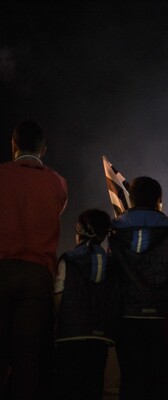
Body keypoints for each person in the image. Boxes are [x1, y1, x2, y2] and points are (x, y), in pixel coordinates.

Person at [0, 120, 68, 399]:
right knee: (28, 359)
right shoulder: (57, 182)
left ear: (13, 144)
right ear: (44, 150)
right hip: (38, 276)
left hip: (2, 269)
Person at [109, 176, 168, 400]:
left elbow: (111, 271)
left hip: (127, 317)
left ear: (131, 200)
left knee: (132, 381)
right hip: (164, 317)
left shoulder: (114, 229)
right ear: (158, 200)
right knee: (162, 382)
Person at [54, 209, 120, 400]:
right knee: (93, 388)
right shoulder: (112, 264)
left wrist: (56, 323)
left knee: (68, 389)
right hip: (100, 337)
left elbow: (58, 296)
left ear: (79, 232)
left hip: (70, 336)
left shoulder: (69, 259)